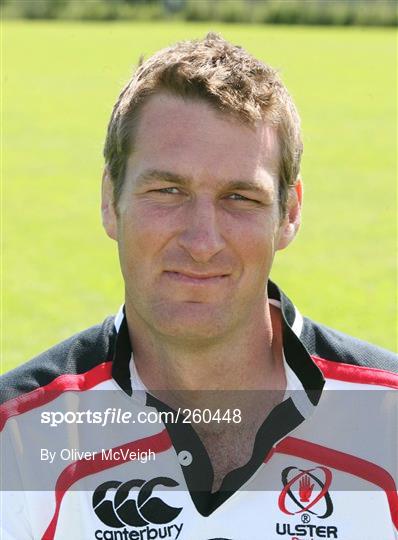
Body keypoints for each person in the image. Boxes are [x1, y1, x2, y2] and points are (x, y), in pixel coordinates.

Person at [1, 33, 397, 540]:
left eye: (240, 197)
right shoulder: (16, 439)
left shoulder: (389, 422)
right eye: (167, 191)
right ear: (109, 199)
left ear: (289, 213)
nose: (203, 241)